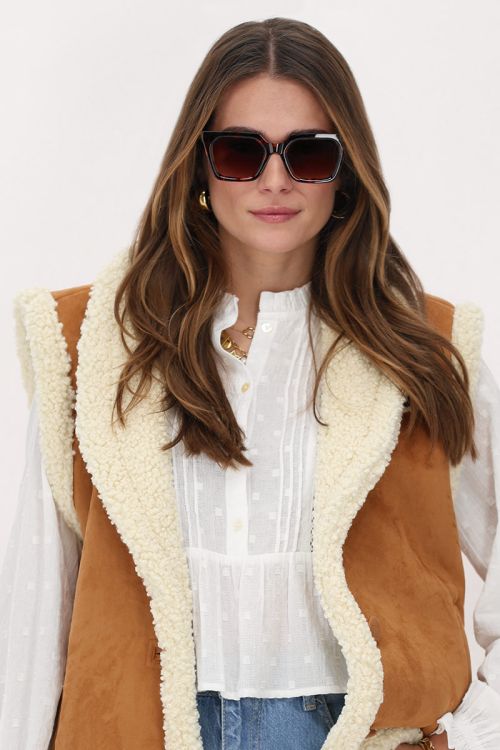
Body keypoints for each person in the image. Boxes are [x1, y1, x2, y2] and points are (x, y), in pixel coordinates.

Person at [1, 15, 500, 750]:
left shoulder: (425, 349)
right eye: (240, 151)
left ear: (346, 169)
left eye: (309, 152)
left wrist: (474, 734)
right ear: (200, 165)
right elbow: (35, 609)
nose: (274, 180)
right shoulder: (93, 343)